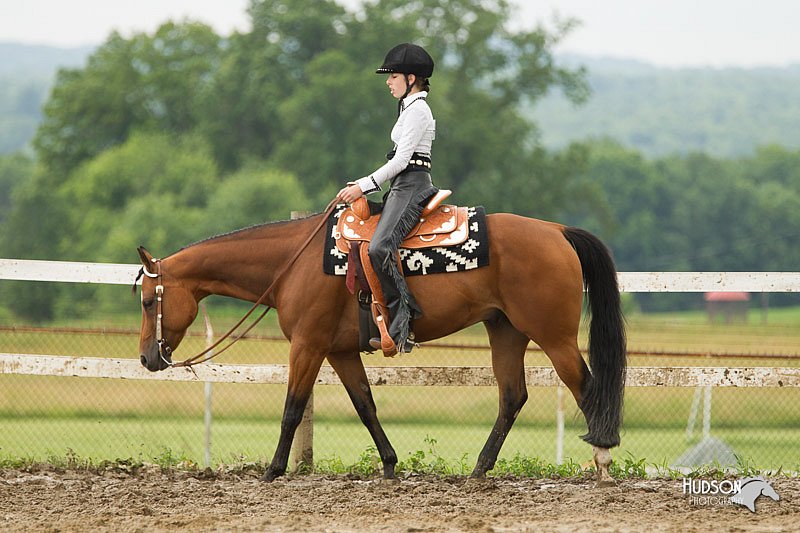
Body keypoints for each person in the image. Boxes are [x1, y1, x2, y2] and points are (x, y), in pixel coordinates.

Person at [337, 42, 438, 354]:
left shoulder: (418, 110)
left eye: (393, 76)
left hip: (411, 186)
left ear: (410, 79)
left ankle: (403, 318)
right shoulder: (409, 108)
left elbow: (400, 161)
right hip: (400, 186)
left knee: (380, 247)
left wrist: (363, 186)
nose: (388, 81)